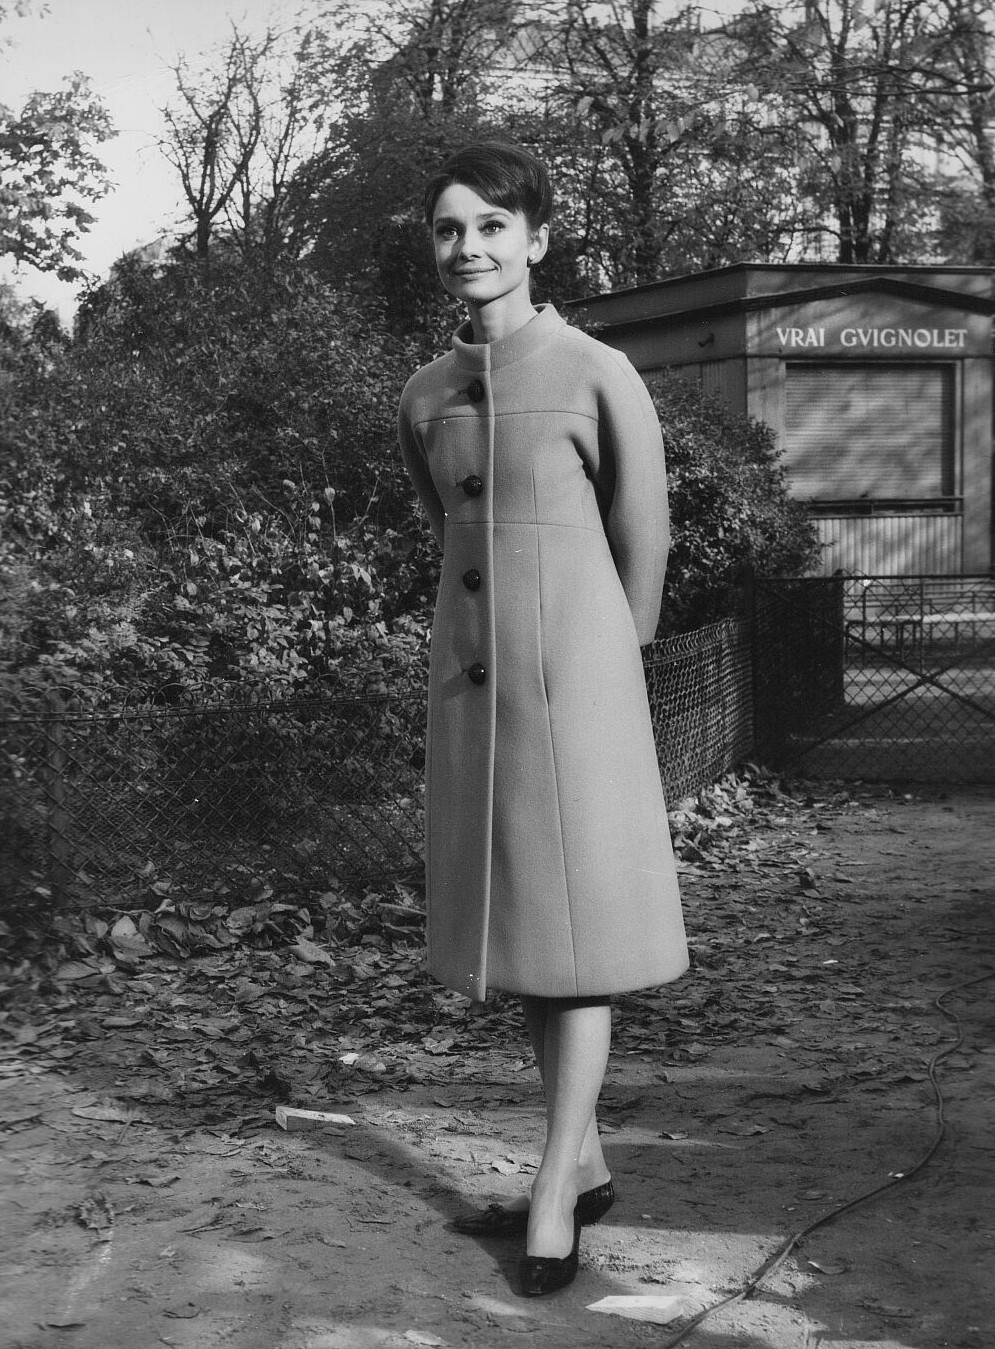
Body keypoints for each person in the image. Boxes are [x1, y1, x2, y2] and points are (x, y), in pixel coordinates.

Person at [397, 141, 688, 1297]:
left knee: (576, 948)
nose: (467, 247)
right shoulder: (424, 394)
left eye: (489, 226)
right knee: (526, 939)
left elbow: (641, 534)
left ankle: (556, 1187)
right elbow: (447, 529)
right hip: (477, 698)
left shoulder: (594, 370)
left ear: (537, 238)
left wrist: (607, 662)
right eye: (448, 229)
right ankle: (588, 1156)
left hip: (576, 689)